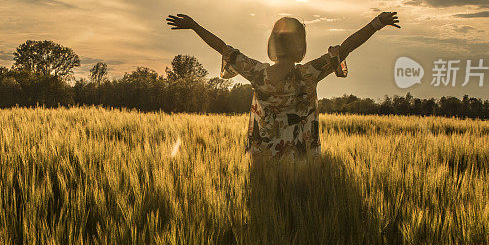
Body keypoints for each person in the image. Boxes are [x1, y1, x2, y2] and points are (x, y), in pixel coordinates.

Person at [165, 11, 400, 160]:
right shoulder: (309, 74)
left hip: (262, 160)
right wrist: (376, 23)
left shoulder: (257, 73)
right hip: (303, 161)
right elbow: (346, 47)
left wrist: (195, 26)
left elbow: (224, 48)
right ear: (301, 46)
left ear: (272, 44)